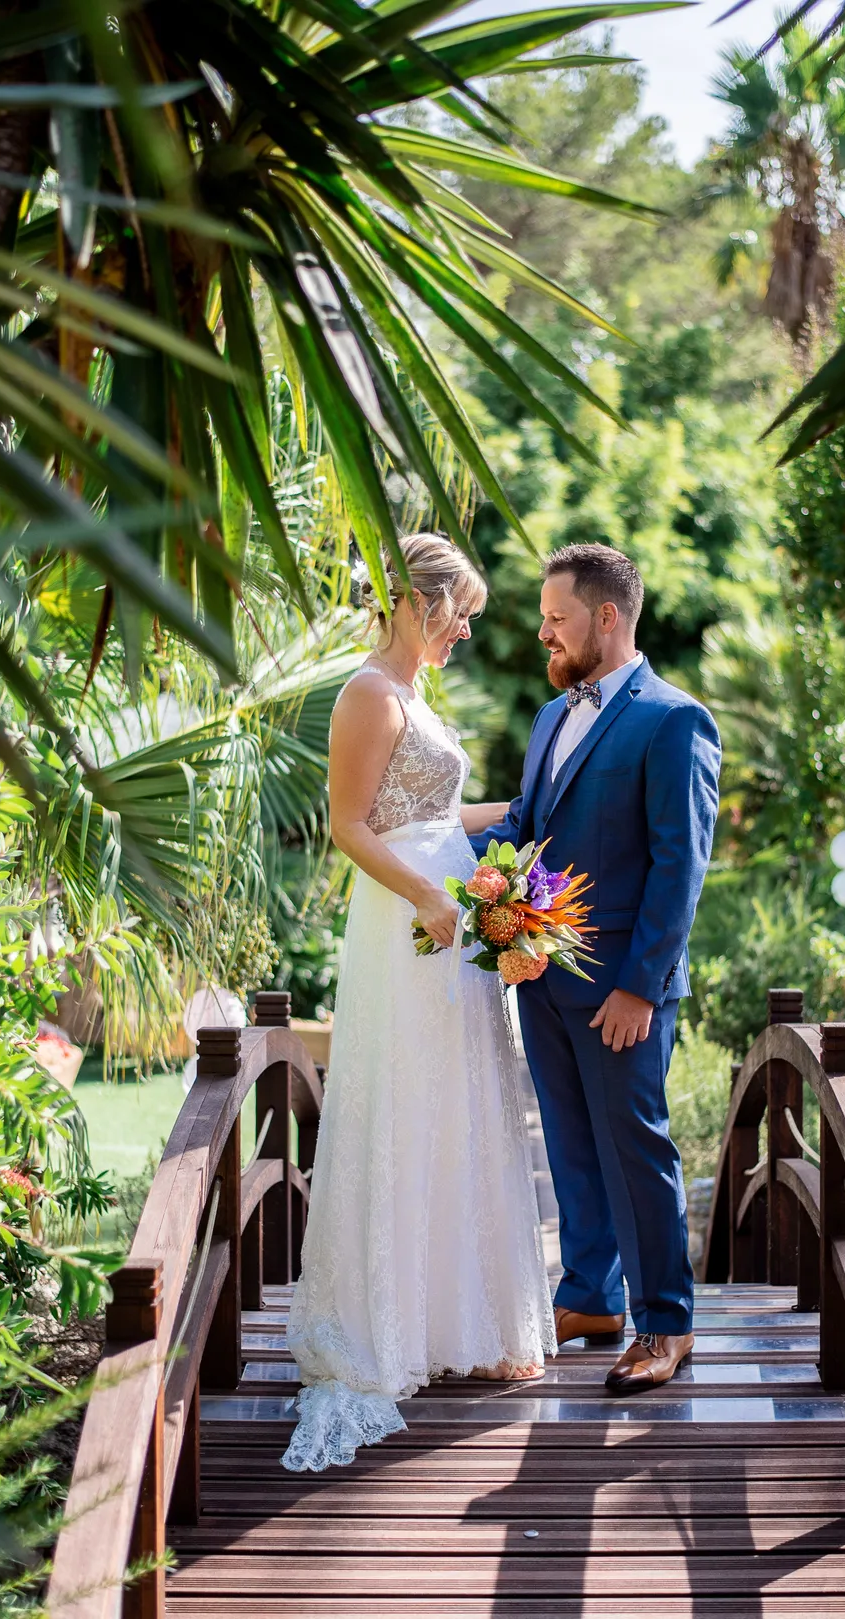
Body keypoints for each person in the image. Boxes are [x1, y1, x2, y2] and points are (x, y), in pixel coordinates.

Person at [282, 533, 555, 1473]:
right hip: (408, 926)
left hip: (453, 925)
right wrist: (431, 896)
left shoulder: (413, 693)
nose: (468, 631)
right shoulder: (367, 693)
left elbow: (436, 817)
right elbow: (349, 825)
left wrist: (525, 817)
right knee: (408, 1099)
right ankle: (386, 1328)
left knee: (461, 1103)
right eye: (462, 613)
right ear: (418, 602)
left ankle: (458, 1319)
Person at [472, 543, 721, 1392]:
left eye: (557, 617)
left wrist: (639, 986)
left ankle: (664, 1322)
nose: (544, 630)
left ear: (606, 617)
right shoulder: (550, 717)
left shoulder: (673, 719)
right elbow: (526, 827)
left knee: (634, 1148)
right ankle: (589, 1295)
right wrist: (422, 847)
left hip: (622, 989)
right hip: (540, 976)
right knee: (571, 1147)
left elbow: (678, 865)